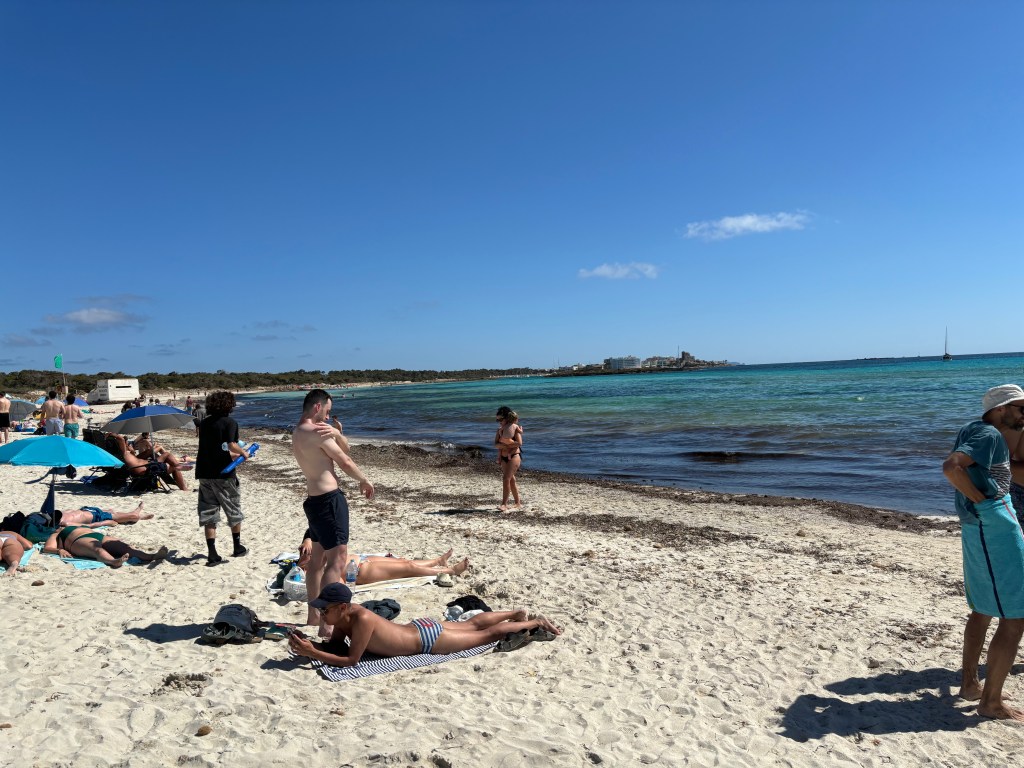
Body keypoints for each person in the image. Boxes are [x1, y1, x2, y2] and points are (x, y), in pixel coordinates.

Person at [942, 383, 1024, 722]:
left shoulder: (973, 429)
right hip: (994, 525)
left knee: (982, 609)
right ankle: (990, 703)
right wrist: (983, 503)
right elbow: (951, 467)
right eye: (1020, 407)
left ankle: (969, 685)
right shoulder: (989, 434)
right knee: (1016, 616)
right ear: (1002, 408)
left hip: (980, 525)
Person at [288, 583, 560, 665]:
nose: (322, 614)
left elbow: (351, 660)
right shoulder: (346, 618)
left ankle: (535, 621)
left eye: (325, 610)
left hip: (430, 640)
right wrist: (307, 643)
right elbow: (334, 647)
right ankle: (516, 612)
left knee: (485, 634)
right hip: (421, 627)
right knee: (471, 625)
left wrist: (312, 653)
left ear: (343, 607)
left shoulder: (361, 619)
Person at [292, 389, 374, 633]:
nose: (327, 418)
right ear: (317, 407)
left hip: (314, 501)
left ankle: (313, 617)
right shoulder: (315, 432)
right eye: (327, 411)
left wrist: (338, 433)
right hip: (329, 501)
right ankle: (327, 627)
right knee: (336, 561)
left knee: (317, 561)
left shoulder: (298, 431)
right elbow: (345, 461)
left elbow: (344, 449)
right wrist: (364, 480)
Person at [196, 391, 250, 566]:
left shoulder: (204, 423)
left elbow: (214, 446)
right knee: (233, 508)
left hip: (204, 472)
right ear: (229, 406)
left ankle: (212, 553)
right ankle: (237, 547)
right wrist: (244, 453)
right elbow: (231, 444)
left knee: (209, 511)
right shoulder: (230, 422)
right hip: (224, 473)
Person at [297, 532, 470, 584]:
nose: (306, 556)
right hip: (361, 572)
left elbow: (311, 534)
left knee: (405, 562)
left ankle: (438, 561)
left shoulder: (308, 553)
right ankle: (451, 570)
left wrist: (307, 541)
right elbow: (337, 583)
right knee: (408, 569)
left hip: (363, 559)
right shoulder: (312, 575)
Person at [41, 525, 168, 568]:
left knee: (126, 548)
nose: (59, 526)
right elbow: (46, 548)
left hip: (97, 535)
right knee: (97, 550)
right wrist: (60, 550)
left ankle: (151, 556)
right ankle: (114, 561)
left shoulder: (73, 525)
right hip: (77, 541)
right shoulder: (56, 534)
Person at [108, 433, 188, 492]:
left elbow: (134, 459)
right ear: (120, 445)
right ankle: (183, 486)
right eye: (126, 442)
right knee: (168, 458)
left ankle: (179, 475)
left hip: (142, 466)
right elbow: (120, 439)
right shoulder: (124, 452)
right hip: (146, 468)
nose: (127, 443)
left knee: (166, 459)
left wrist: (132, 451)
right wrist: (111, 434)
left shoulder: (120, 454)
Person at [494, 406, 523, 512]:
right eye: (497, 420)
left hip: (514, 457)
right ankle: (517, 503)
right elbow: (496, 444)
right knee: (511, 480)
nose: (499, 422)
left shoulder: (514, 429)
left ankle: (504, 504)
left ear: (507, 418)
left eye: (500, 419)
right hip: (503, 457)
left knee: (506, 478)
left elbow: (519, 443)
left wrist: (506, 445)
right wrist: (503, 447)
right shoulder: (499, 430)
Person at [56, 501, 153, 527]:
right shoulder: (65, 523)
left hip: (87, 510)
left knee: (112, 511)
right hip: (97, 517)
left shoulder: (55, 514)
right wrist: (106, 523)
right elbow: (89, 526)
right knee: (134, 517)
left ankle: (133, 513)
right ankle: (138, 513)